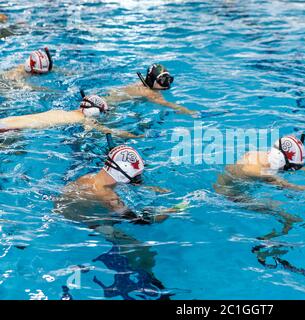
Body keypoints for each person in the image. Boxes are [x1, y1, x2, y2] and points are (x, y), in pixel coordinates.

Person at [54, 138, 188, 299]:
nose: (139, 180)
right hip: (83, 220)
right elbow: (139, 221)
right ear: (121, 173)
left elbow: (120, 185)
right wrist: (175, 210)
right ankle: (148, 280)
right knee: (140, 248)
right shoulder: (108, 197)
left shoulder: (94, 178)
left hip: (72, 206)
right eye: (136, 177)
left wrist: (151, 188)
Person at [214, 134, 305, 240]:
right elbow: (294, 187)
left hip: (237, 184)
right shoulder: (259, 172)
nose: (289, 171)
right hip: (227, 194)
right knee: (281, 211)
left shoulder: (265, 157)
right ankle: (276, 234)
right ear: (280, 160)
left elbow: (298, 167)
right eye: (288, 168)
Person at [0, 90, 140, 138]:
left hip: (10, 121)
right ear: (95, 111)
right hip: (11, 130)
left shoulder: (63, 112)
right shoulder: (87, 120)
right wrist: (136, 136)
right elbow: (109, 132)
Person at [106, 63, 197, 116]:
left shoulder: (141, 84)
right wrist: (188, 111)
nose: (167, 84)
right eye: (163, 81)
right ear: (151, 81)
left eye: (169, 79)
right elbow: (167, 104)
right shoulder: (149, 93)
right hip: (109, 106)